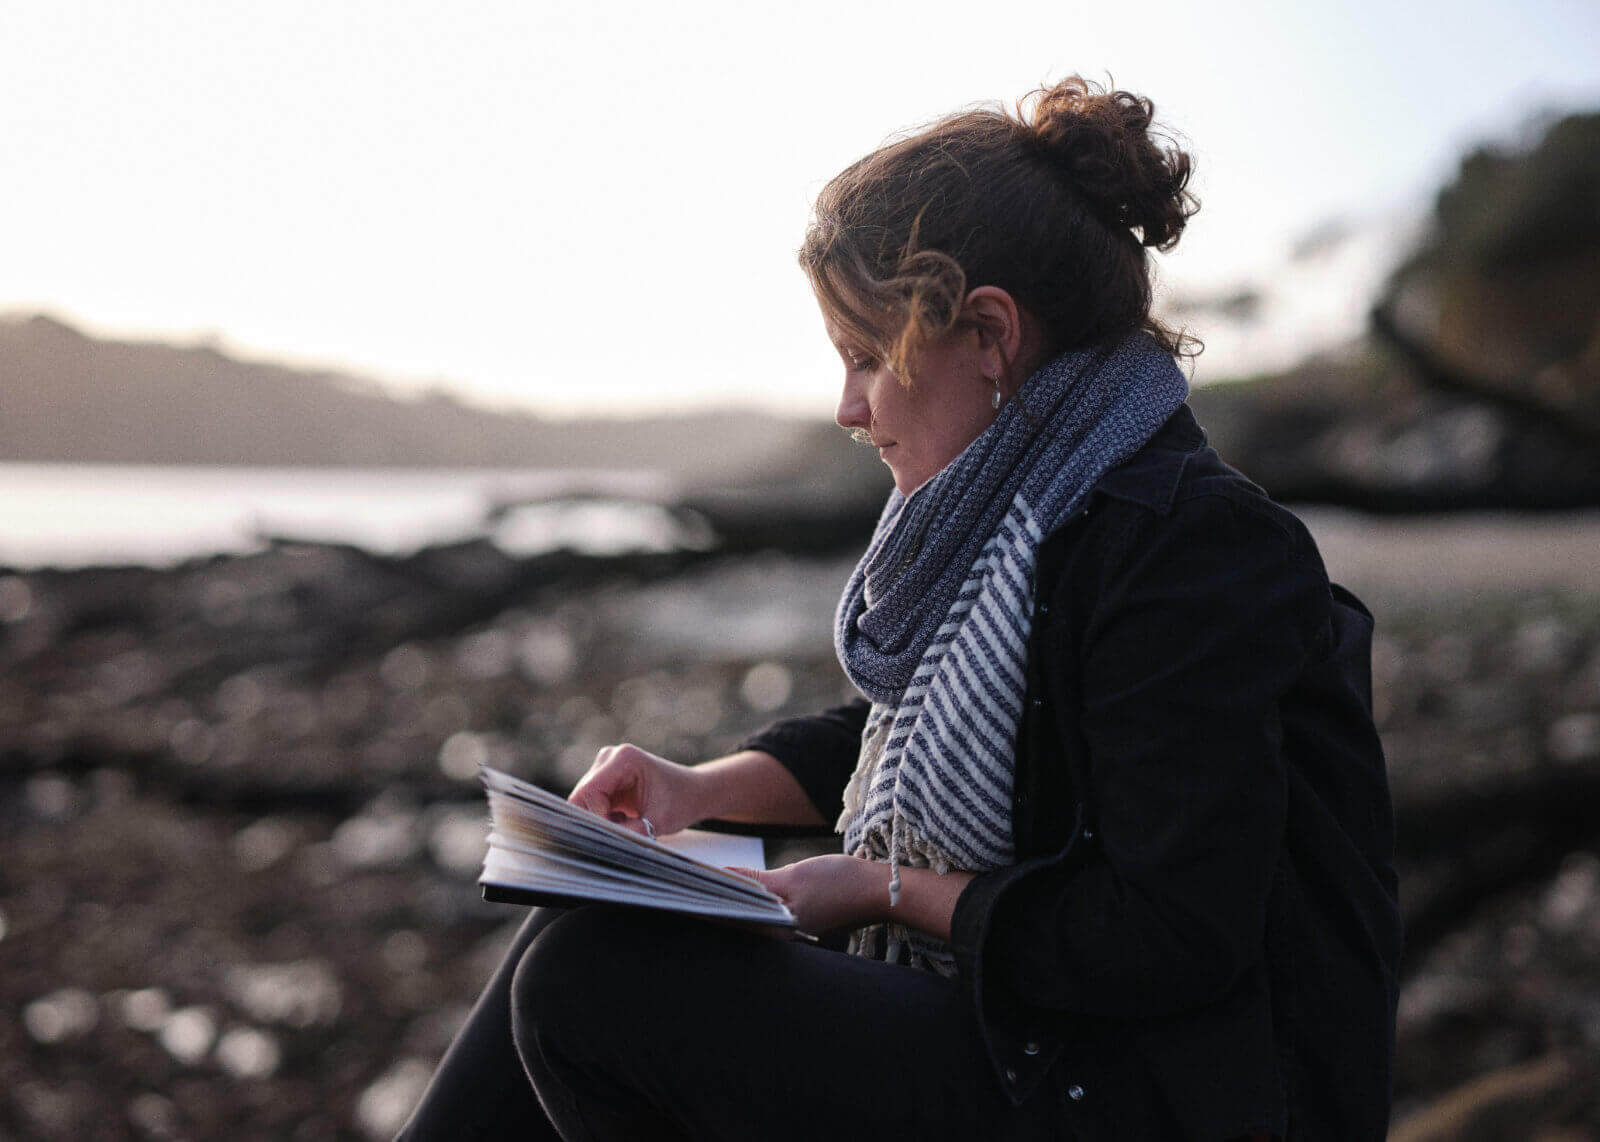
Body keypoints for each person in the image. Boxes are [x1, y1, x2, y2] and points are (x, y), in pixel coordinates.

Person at [398, 76, 1401, 1142]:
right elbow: (958, 740)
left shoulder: (1188, 547)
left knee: (591, 987)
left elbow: (1168, 931)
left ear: (988, 335)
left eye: (867, 357)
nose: (846, 407)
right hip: (1047, 1032)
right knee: (587, 917)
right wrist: (695, 790)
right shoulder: (1032, 509)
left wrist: (884, 887)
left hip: (1159, 1088)